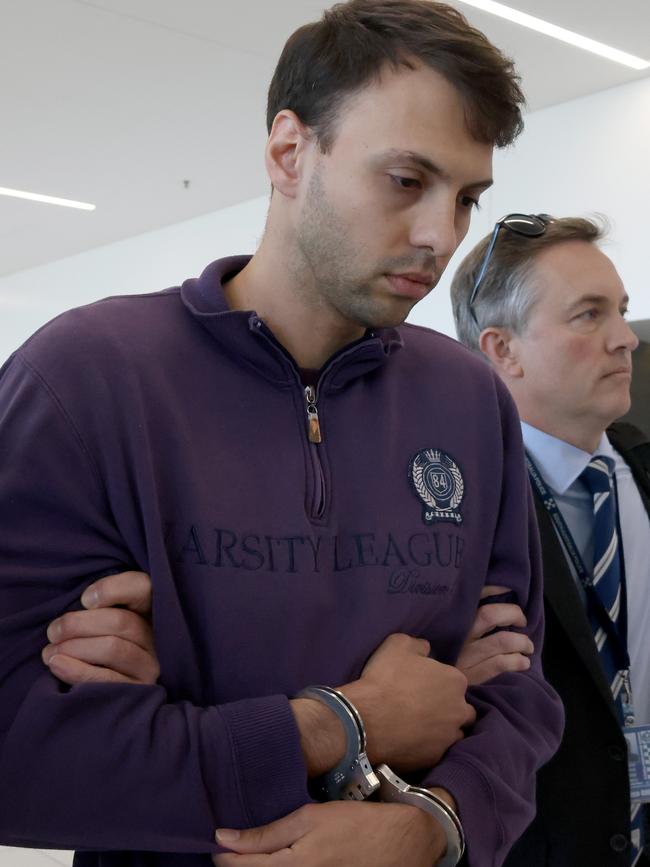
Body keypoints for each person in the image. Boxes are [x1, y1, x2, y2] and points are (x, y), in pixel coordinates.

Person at [0, 3, 563, 866]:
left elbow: (517, 697)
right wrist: (345, 722)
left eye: (468, 197)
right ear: (289, 152)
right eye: (407, 181)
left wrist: (433, 824)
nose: (441, 237)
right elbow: (20, 752)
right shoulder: (84, 379)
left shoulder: (470, 401)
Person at [450, 213, 650, 866]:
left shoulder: (646, 471)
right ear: (502, 349)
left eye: (620, 310)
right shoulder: (452, 515)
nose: (626, 339)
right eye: (589, 315)